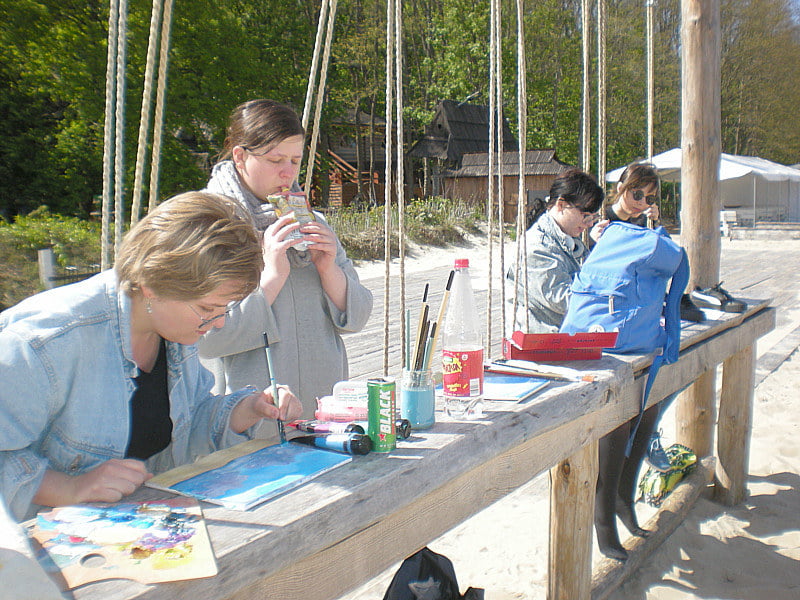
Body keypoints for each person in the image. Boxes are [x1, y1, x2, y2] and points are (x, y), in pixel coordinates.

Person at [0, 192, 302, 521]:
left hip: (136, 526)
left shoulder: (173, 328)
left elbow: (184, 425)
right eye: (207, 309)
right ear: (152, 285)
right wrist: (70, 488)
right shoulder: (45, 342)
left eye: (224, 309)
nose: (218, 323)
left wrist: (246, 410)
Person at [198, 99, 373, 432]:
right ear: (240, 157)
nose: (288, 173)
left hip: (324, 420)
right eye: (275, 160)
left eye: (295, 160)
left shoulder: (314, 222)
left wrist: (329, 270)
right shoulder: (210, 228)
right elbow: (206, 339)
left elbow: (359, 317)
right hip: (248, 426)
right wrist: (272, 277)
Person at [505, 168, 605, 335]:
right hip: (539, 343)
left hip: (563, 338)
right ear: (561, 205)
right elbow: (563, 299)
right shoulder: (536, 247)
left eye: (593, 217)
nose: (589, 224)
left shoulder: (569, 241)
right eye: (585, 215)